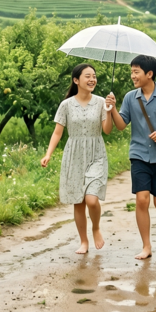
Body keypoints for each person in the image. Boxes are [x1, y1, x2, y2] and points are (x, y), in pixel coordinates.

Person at [105, 55, 156, 260]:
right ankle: (146, 246)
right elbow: (121, 125)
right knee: (142, 200)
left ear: (149, 74)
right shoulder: (130, 98)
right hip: (139, 155)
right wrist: (112, 108)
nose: (132, 75)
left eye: (136, 72)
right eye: (131, 71)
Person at [41, 63, 112, 254]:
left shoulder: (100, 102)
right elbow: (57, 133)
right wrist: (48, 154)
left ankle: (96, 228)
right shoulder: (66, 105)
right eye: (87, 76)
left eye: (94, 76)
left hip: (96, 153)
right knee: (78, 201)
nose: (92, 79)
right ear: (76, 80)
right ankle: (83, 241)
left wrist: (110, 110)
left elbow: (107, 130)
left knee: (91, 199)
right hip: (73, 155)